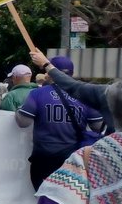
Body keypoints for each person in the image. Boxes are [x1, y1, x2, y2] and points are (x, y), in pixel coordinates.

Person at [16, 56, 104, 190]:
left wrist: (19, 110)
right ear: (72, 74)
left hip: (43, 158)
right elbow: (98, 127)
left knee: (43, 197)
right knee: (67, 199)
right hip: (74, 159)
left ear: (50, 72)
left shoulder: (37, 94)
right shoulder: (85, 95)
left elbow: (23, 122)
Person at [30, 49, 122, 134]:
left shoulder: (108, 92)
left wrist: (46, 64)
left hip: (117, 153)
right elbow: (96, 124)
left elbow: (74, 87)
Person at [0, 63, 34, 204]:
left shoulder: (11, 97)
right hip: (37, 142)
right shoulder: (40, 93)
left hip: (16, 143)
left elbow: (4, 121)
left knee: (14, 174)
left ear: (15, 78)